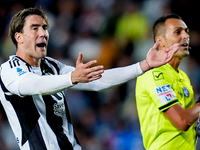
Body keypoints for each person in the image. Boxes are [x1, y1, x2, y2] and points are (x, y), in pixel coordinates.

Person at [0, 8, 179, 150]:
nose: (43, 33)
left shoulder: (52, 66)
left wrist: (144, 65)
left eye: (44, 28)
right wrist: (71, 78)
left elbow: (97, 81)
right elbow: (32, 85)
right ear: (19, 37)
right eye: (34, 28)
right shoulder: (9, 70)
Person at [135, 14, 200, 150]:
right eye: (178, 32)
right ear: (160, 41)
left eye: (186, 32)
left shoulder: (183, 76)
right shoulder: (154, 74)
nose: (185, 36)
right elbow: (183, 121)